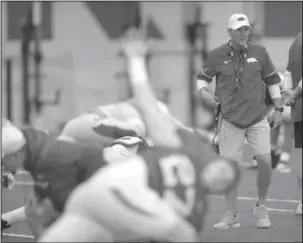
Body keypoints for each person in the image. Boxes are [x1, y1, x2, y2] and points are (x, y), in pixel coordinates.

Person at [38, 33, 240, 242]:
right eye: (224, 169)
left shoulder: (196, 209)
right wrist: (135, 62)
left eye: (226, 182)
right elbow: (149, 106)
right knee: (184, 235)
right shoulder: (184, 147)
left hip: (95, 200)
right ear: (214, 159)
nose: (221, 176)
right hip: (113, 190)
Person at [197, 13, 283, 229]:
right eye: (239, 30)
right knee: (229, 169)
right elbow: (202, 79)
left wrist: (279, 109)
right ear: (229, 32)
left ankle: (261, 207)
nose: (244, 33)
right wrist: (204, 94)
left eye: (246, 29)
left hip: (257, 117)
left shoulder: (260, 52)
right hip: (229, 120)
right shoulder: (216, 55)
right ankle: (231, 215)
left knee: (265, 162)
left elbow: (272, 81)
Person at [1, 119, 148, 239]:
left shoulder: (52, 157)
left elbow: (62, 204)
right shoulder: (36, 155)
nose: (3, 166)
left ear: (15, 155)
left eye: (3, 162)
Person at [283, 32, 302, 215]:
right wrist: (294, 93)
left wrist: (289, 93)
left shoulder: (296, 39)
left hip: (299, 109)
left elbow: (288, 72)